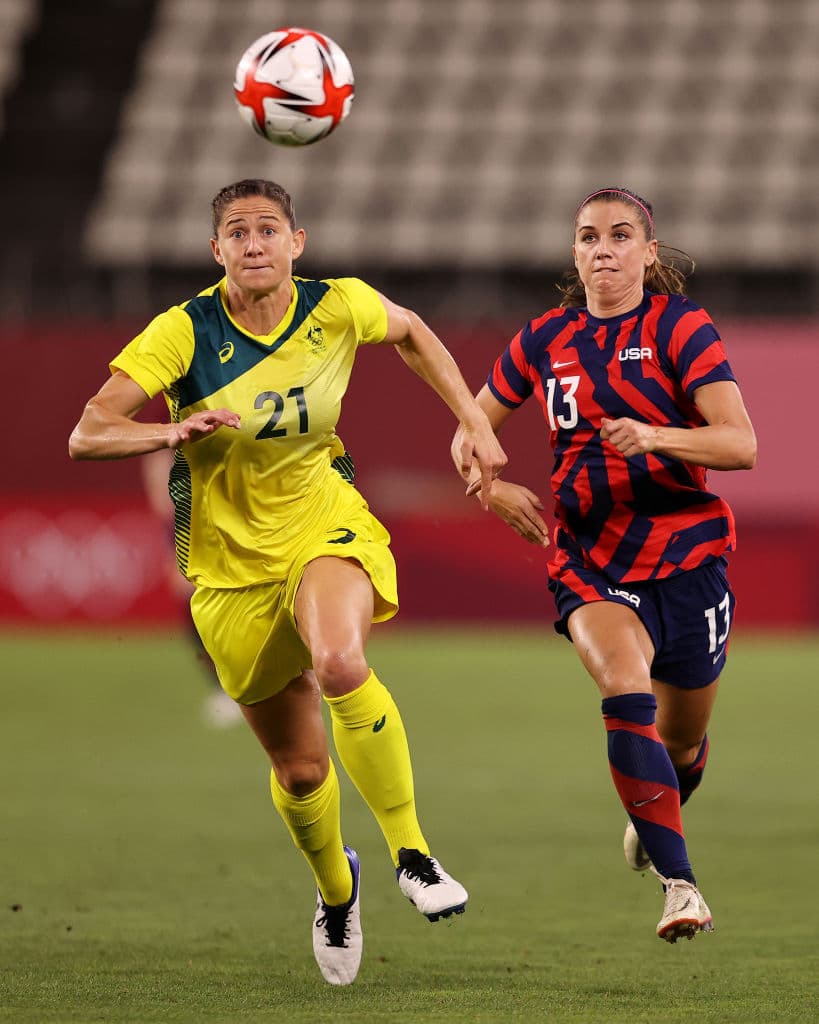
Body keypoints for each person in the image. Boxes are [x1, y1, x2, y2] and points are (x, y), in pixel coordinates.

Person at [69, 178, 507, 985]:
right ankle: (337, 891)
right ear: (217, 252)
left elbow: (411, 333)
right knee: (300, 771)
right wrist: (171, 427)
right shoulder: (183, 330)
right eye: (237, 232)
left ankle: (412, 853)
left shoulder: (335, 304)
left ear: (295, 243)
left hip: (320, 518)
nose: (254, 242)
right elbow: (87, 430)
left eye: (268, 228)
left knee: (341, 661)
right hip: (229, 568)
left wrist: (472, 419)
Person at [452, 186, 757, 943]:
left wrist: (656, 437)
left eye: (620, 236)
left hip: (686, 555)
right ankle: (679, 886)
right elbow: (469, 433)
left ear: (647, 254)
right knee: (625, 693)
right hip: (590, 555)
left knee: (681, 741)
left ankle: (654, 801)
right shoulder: (543, 339)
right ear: (574, 252)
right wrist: (489, 486)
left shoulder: (680, 327)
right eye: (588, 236)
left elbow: (739, 444)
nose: (602, 249)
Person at [140, 447, 243, 727]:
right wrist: (167, 508)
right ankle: (224, 686)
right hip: (188, 508)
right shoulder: (169, 406)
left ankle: (284, 673)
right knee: (189, 595)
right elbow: (157, 452)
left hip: (238, 504)